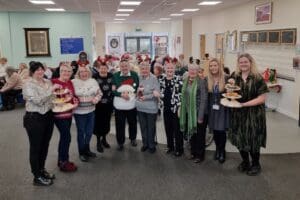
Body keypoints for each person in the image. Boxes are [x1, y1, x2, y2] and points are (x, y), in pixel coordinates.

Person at [228, 53, 269, 176]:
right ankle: (245, 161)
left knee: (253, 139)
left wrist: (244, 104)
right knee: (239, 138)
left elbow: (262, 98)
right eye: (241, 62)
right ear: (238, 64)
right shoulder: (235, 76)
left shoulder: (257, 78)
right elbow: (230, 93)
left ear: (251, 62)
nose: (243, 64)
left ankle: (256, 164)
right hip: (238, 114)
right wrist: (229, 86)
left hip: (254, 115)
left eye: (245, 62)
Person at [23, 61, 56, 186]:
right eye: (37, 70)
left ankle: (42, 170)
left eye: (42, 69)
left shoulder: (47, 81)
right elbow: (37, 101)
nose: (40, 72)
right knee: (35, 148)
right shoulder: (28, 84)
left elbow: (52, 98)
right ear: (32, 71)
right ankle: (36, 176)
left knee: (45, 145)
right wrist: (51, 91)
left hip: (48, 116)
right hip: (34, 118)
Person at [51, 63, 78, 172]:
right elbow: (48, 96)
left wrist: (76, 102)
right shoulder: (53, 82)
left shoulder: (70, 82)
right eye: (63, 71)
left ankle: (61, 160)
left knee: (65, 137)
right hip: (58, 114)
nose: (66, 73)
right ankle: (64, 161)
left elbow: (73, 97)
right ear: (60, 71)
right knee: (66, 137)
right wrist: (52, 89)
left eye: (68, 71)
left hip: (68, 112)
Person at [72, 65, 102, 162]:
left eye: (86, 71)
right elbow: (70, 95)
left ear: (89, 72)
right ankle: (81, 152)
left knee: (89, 132)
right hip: (79, 112)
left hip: (91, 111)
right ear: (78, 73)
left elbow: (99, 93)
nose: (84, 73)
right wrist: (75, 100)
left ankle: (87, 149)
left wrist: (96, 99)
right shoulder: (73, 82)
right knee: (81, 133)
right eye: (81, 72)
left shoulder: (93, 81)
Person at [179, 63, 208, 163]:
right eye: (190, 69)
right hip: (188, 112)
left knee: (200, 135)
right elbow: (183, 96)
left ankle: (200, 155)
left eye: (195, 70)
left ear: (198, 71)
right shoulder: (186, 80)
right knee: (192, 133)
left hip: (198, 112)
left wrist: (200, 116)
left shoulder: (201, 81)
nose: (192, 71)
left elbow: (204, 99)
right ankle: (193, 152)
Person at [112, 54, 139, 151]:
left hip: (131, 105)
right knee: (120, 125)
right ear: (119, 67)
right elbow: (113, 90)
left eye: (126, 66)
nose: (124, 68)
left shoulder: (134, 75)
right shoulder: (115, 76)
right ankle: (120, 142)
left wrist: (131, 96)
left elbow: (137, 89)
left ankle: (133, 139)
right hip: (119, 106)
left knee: (133, 123)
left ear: (129, 66)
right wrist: (121, 95)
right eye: (122, 66)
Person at [207, 58, 229, 163]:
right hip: (212, 108)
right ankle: (217, 149)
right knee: (215, 130)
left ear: (219, 66)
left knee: (221, 130)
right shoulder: (208, 79)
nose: (213, 68)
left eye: (215, 65)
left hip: (222, 108)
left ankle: (222, 151)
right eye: (211, 66)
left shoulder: (226, 78)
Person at [159, 63, 183, 156]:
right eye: (168, 68)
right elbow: (160, 92)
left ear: (174, 69)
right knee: (168, 129)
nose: (169, 70)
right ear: (165, 69)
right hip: (166, 108)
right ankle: (170, 146)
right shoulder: (161, 79)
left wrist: (180, 107)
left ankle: (179, 149)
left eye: (171, 68)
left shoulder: (178, 79)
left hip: (176, 109)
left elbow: (181, 95)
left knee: (177, 130)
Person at [136, 61, 160, 153]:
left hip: (151, 108)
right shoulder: (138, 77)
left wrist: (145, 97)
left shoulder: (154, 78)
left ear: (149, 68)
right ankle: (145, 144)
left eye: (146, 68)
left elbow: (156, 93)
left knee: (151, 128)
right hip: (140, 107)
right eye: (142, 69)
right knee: (143, 127)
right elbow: (135, 91)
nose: (144, 70)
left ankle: (151, 145)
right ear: (140, 69)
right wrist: (137, 93)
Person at [93, 58, 114, 153]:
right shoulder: (94, 77)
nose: (103, 70)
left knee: (106, 122)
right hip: (98, 105)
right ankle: (98, 141)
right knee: (98, 123)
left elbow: (115, 86)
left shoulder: (111, 76)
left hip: (108, 104)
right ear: (98, 68)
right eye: (101, 68)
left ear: (107, 68)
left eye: (105, 68)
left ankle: (104, 139)